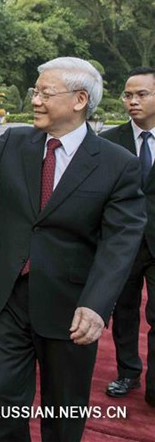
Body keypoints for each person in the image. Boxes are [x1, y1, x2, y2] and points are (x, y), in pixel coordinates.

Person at [0, 57, 146, 441]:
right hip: (7, 293)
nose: (35, 100)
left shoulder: (117, 164)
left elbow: (121, 241)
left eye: (44, 92)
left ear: (78, 100)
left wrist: (96, 303)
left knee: (63, 408)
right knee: (3, 400)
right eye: (34, 91)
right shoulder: (15, 141)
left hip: (69, 305)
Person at [99, 65, 155, 408]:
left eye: (142, 94)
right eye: (128, 95)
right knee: (125, 312)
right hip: (122, 242)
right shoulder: (109, 142)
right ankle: (128, 371)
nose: (132, 101)